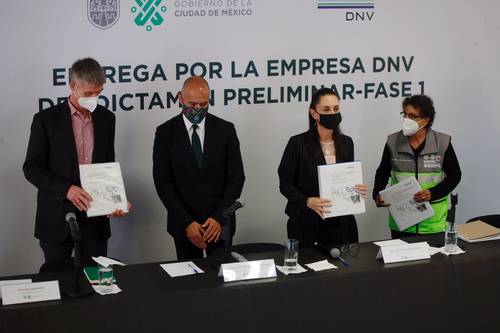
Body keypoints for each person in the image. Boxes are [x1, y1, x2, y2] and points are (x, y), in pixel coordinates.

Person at [23, 57, 131, 269]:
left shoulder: (107, 119)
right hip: (56, 217)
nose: (94, 99)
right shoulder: (45, 120)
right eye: (88, 93)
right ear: (73, 85)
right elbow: (32, 169)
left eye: (98, 93)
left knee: (96, 284)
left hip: (95, 221)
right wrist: (67, 189)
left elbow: (106, 165)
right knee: (59, 284)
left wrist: (114, 201)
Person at [153, 76, 245, 260]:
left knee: (221, 280)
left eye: (203, 104)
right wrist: (187, 223)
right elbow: (163, 183)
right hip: (184, 224)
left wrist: (219, 217)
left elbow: (236, 177)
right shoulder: (165, 132)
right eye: (192, 103)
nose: (197, 109)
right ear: (180, 98)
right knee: (189, 281)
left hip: (219, 224)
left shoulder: (225, 129)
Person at [278, 88, 367, 248]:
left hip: (342, 224)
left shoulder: (347, 142)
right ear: (314, 113)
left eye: (336, 109)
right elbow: (285, 184)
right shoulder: (297, 143)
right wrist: (307, 201)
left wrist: (357, 191)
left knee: (347, 270)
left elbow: (346, 180)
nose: (332, 113)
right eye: (326, 109)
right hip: (306, 223)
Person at [373, 94, 461, 238]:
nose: (407, 120)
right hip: (401, 222)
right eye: (405, 115)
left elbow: (455, 175)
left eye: (413, 116)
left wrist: (433, 193)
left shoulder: (442, 142)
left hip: (433, 223)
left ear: (426, 120)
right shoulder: (393, 141)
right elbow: (382, 172)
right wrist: (377, 194)